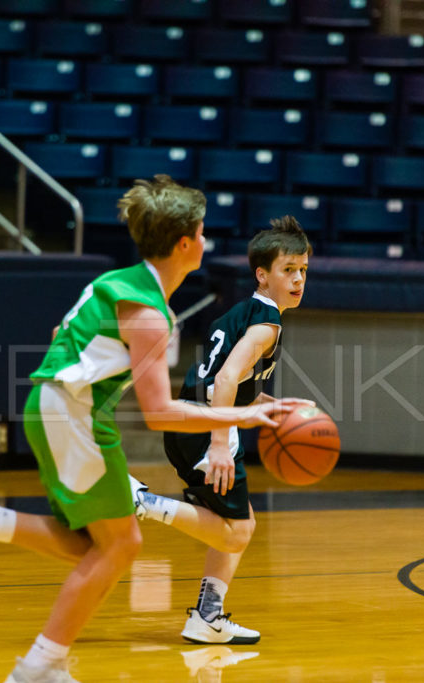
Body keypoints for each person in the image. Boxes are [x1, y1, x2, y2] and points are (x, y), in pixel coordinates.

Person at [0, 177, 305, 683]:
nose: (208, 241)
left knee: (97, 546)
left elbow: (66, 337)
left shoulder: (123, 282)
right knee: (121, 547)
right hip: (71, 414)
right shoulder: (149, 314)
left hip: (68, 409)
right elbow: (159, 413)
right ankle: (38, 666)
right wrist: (238, 417)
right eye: (203, 231)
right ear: (185, 244)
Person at [131, 216, 315, 646]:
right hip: (207, 428)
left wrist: (273, 407)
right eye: (288, 270)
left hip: (188, 419)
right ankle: (143, 501)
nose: (298, 279)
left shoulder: (241, 311)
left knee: (237, 522)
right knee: (240, 530)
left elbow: (226, 383)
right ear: (262, 275)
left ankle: (207, 616)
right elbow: (227, 380)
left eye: (304, 270)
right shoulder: (267, 323)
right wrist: (218, 443)